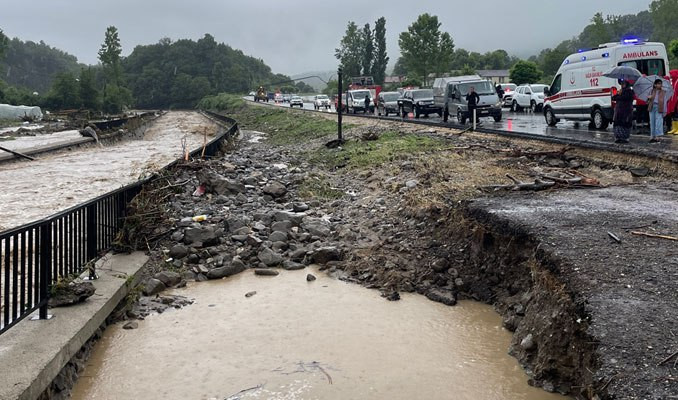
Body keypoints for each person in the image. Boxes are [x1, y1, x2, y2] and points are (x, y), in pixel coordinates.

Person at [612, 80, 634, 144]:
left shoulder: (629, 91)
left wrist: (619, 96)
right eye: (621, 84)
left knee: (625, 124)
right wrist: (618, 94)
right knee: (618, 124)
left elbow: (625, 98)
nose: (622, 85)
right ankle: (618, 137)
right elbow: (614, 98)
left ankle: (625, 138)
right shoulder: (620, 91)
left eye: (624, 84)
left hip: (626, 111)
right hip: (619, 111)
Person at [648, 78, 669, 143]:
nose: (660, 85)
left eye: (660, 84)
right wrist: (649, 98)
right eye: (658, 84)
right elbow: (647, 100)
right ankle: (652, 136)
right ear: (655, 84)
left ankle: (658, 136)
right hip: (652, 107)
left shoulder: (663, 92)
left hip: (659, 107)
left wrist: (665, 110)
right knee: (652, 121)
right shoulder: (651, 91)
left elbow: (665, 101)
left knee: (658, 122)